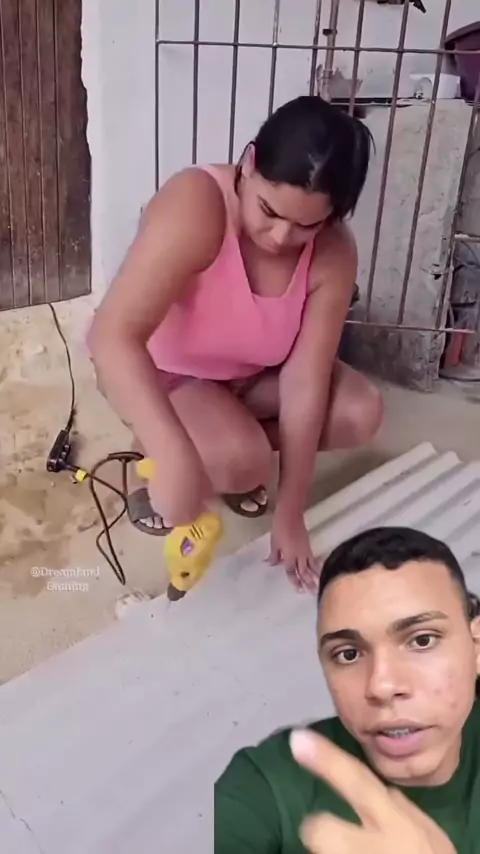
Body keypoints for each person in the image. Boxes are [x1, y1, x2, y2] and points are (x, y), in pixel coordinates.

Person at [87, 95, 383, 592]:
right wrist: (172, 455)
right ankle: (159, 453)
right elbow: (112, 336)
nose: (281, 236)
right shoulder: (197, 203)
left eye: (307, 225)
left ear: (332, 217)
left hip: (250, 375)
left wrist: (291, 512)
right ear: (248, 162)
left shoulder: (334, 251)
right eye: (269, 209)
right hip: (168, 372)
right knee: (242, 461)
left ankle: (214, 443)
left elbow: (305, 381)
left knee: (360, 412)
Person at [215, 527, 480, 853]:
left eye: (422, 640)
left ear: (476, 646)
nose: (381, 686)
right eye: (348, 654)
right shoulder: (266, 786)